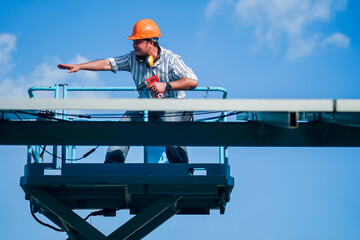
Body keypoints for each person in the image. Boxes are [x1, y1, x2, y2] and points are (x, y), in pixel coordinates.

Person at [58, 19, 198, 164]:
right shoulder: (132, 58)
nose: (134, 45)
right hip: (145, 106)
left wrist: (166, 85)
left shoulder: (171, 60)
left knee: (171, 130)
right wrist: (79, 67)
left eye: (138, 41)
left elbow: (193, 81)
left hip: (171, 105)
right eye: (133, 41)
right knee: (122, 129)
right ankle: (112, 167)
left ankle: (181, 171)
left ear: (151, 42)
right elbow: (107, 63)